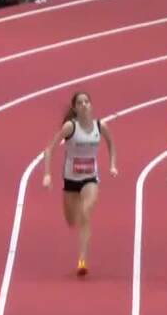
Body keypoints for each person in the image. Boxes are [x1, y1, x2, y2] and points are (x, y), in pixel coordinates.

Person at [41, 90, 117, 277]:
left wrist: (112, 165)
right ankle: (81, 243)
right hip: (70, 180)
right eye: (80, 103)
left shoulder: (100, 126)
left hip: (91, 178)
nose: (84, 105)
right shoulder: (70, 127)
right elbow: (49, 149)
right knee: (71, 220)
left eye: (86, 102)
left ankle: (82, 260)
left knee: (85, 213)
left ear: (91, 105)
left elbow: (111, 145)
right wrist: (47, 174)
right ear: (75, 108)